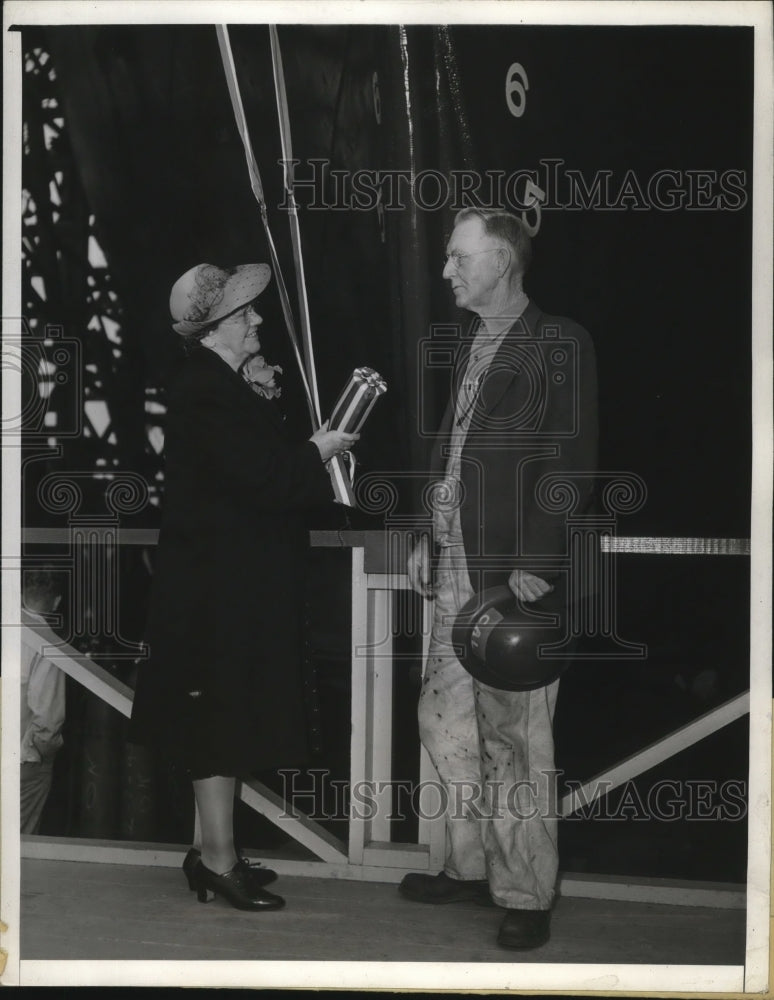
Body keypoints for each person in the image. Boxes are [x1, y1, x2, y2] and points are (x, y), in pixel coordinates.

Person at [129, 262, 358, 911]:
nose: (258, 320)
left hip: (223, 588)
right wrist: (319, 449)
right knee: (217, 724)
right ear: (220, 328)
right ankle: (218, 862)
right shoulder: (204, 387)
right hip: (217, 594)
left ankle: (213, 854)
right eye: (247, 314)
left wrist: (265, 402)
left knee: (221, 718)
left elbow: (246, 475)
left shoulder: (215, 384)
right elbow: (267, 480)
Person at [399, 208, 598, 949]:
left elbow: (570, 463)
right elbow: (452, 455)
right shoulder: (474, 344)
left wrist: (537, 564)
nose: (445, 270)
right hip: (458, 567)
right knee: (442, 716)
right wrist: (427, 531)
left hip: (512, 581)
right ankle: (467, 864)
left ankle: (524, 891)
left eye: (459, 258)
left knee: (515, 739)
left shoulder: (559, 343)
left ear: (503, 261)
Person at [20, 570, 66, 834]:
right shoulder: (48, 644)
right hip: (24, 762)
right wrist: (42, 755)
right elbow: (48, 719)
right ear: (57, 601)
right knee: (19, 842)